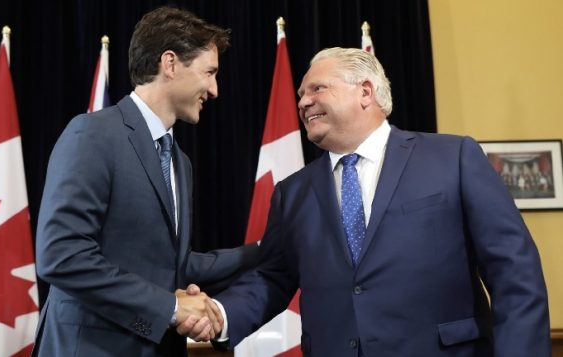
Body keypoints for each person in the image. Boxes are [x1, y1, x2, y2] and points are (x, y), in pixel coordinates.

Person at [211, 47, 550, 356]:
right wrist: (218, 316)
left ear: (365, 91)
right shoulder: (292, 192)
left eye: (317, 89)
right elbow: (273, 277)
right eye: (301, 94)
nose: (302, 102)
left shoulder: (453, 158)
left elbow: (515, 273)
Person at [33, 6, 257, 356]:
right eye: (209, 72)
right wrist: (171, 307)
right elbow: (62, 255)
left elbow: (171, 263)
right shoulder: (93, 134)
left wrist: (264, 249)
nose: (214, 89)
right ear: (170, 63)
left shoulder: (180, 162)